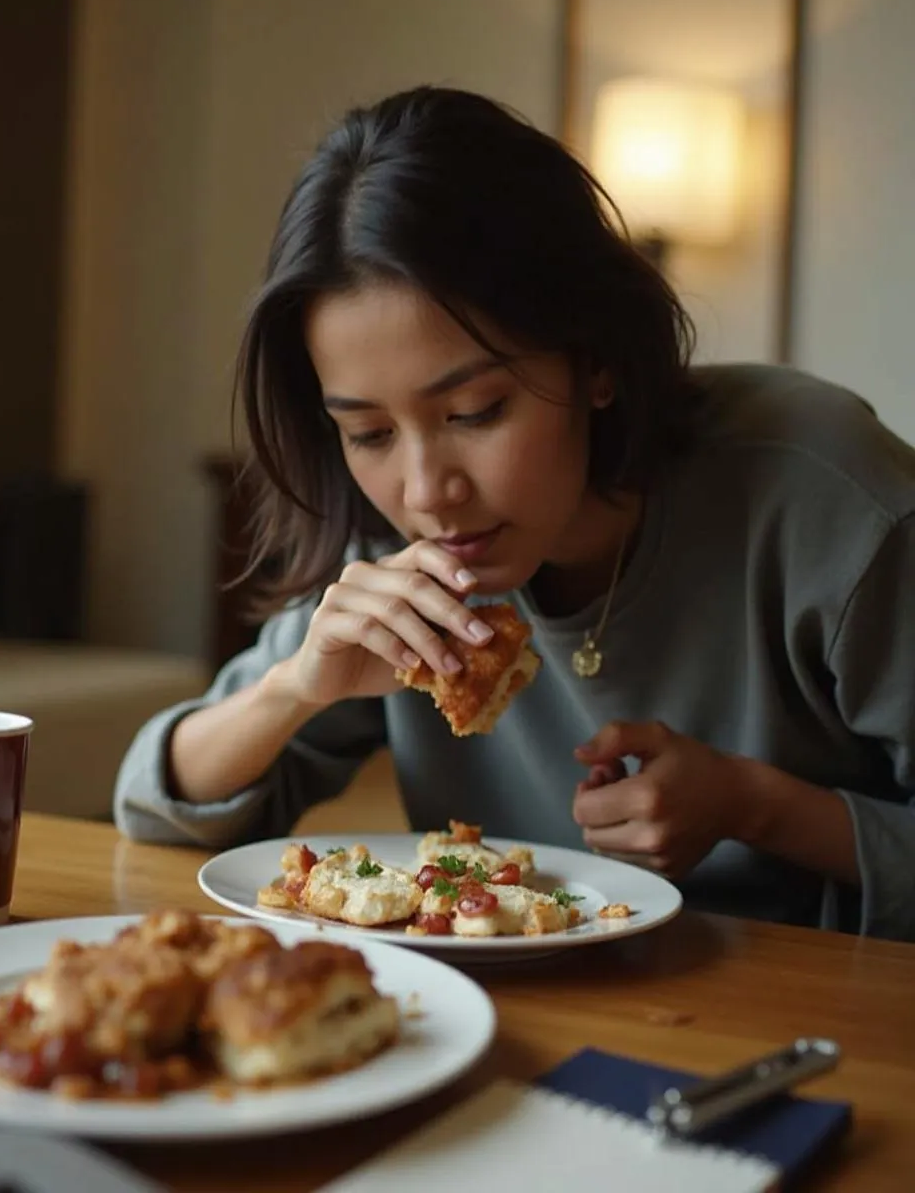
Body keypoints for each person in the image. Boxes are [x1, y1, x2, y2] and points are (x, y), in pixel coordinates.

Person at [114, 86, 915, 941]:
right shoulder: (396, 549)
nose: (426, 492)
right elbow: (156, 808)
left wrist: (755, 805)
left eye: (474, 412)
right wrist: (294, 688)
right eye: (369, 430)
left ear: (594, 358)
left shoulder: (827, 497)